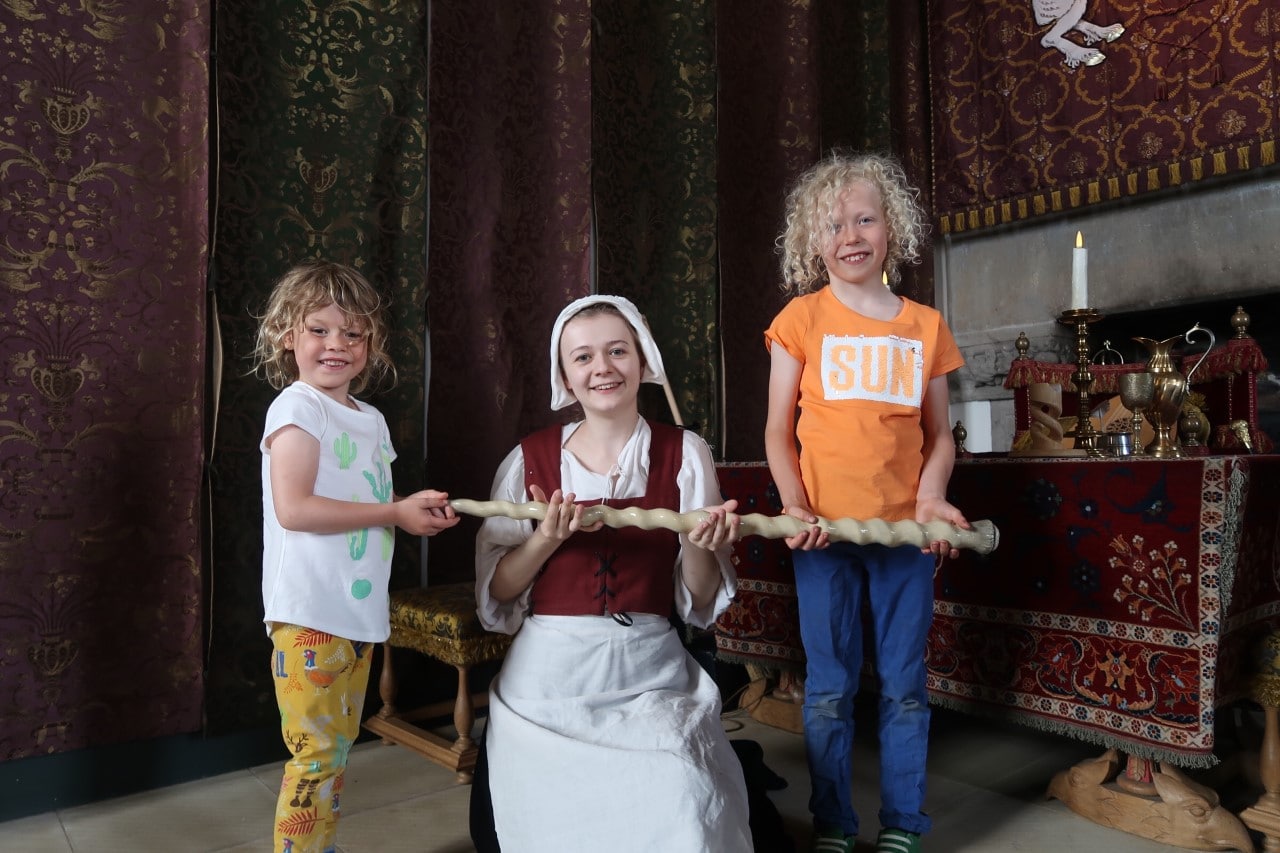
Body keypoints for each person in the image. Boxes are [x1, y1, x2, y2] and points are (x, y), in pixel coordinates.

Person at [474, 294, 754, 852]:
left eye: (617, 351)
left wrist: (696, 543)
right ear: (566, 376)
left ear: (642, 360)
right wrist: (547, 541)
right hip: (550, 676)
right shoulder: (526, 460)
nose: (602, 367)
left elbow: (696, 601)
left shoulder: (686, 452)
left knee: (682, 800)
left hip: (649, 669)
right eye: (583, 357)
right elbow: (498, 593)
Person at [763, 153, 970, 853]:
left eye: (864, 218)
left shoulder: (924, 326)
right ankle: (833, 824)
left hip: (904, 538)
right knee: (827, 688)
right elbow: (775, 430)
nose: (849, 234)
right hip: (822, 537)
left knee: (905, 688)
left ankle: (903, 825)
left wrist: (932, 497)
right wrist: (795, 507)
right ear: (810, 242)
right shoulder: (802, 318)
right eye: (832, 224)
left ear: (891, 229)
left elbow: (941, 435)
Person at [252, 260, 459, 853]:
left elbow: (364, 499)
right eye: (319, 330)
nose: (336, 345)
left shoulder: (368, 418)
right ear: (287, 336)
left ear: (371, 344)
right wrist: (394, 514)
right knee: (316, 756)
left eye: (353, 333)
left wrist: (408, 507)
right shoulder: (297, 408)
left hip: (353, 613)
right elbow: (295, 508)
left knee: (334, 751)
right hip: (311, 612)